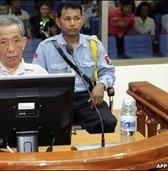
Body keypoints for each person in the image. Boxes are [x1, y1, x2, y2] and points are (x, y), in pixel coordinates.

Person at [32, 1, 117, 134]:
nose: (72, 23)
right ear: (58, 21)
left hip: (87, 98)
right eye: (67, 19)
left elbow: (108, 71)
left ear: (82, 20)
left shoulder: (94, 44)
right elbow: (35, 79)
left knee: (107, 122)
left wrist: (101, 84)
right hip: (57, 100)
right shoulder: (45, 47)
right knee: (51, 128)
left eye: (76, 18)